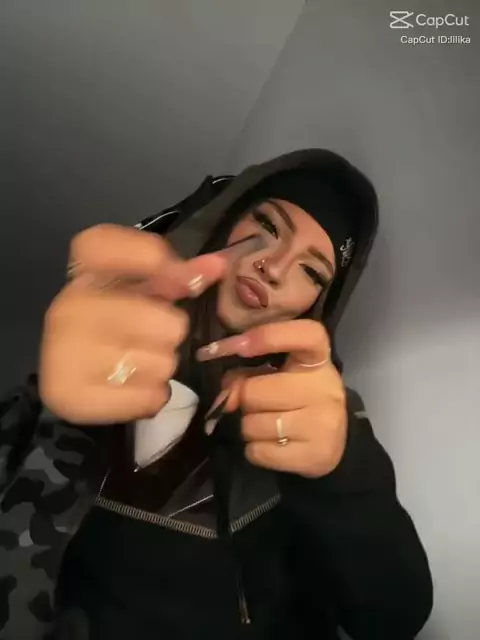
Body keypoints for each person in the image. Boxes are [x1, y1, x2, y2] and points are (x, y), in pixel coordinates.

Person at [0, 149, 433, 639]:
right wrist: (56, 420)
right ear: (224, 220)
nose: (274, 267)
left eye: (312, 272)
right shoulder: (108, 354)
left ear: (318, 306)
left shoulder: (316, 418)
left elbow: (394, 618)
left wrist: (341, 470)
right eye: (266, 225)